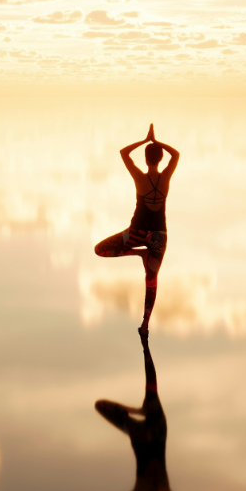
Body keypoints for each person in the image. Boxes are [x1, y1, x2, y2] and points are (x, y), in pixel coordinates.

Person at [94, 123, 177, 337]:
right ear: (160, 159)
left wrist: (145, 140)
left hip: (137, 232)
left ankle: (139, 251)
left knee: (100, 249)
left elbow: (124, 153)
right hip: (159, 236)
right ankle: (145, 324)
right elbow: (175, 154)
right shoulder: (166, 178)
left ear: (146, 159)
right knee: (151, 280)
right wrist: (157, 142)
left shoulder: (140, 178)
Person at [94, 336, 177, 491]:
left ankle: (138, 410)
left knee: (100, 406)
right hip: (156, 432)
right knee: (151, 392)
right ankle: (145, 344)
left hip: (138, 435)